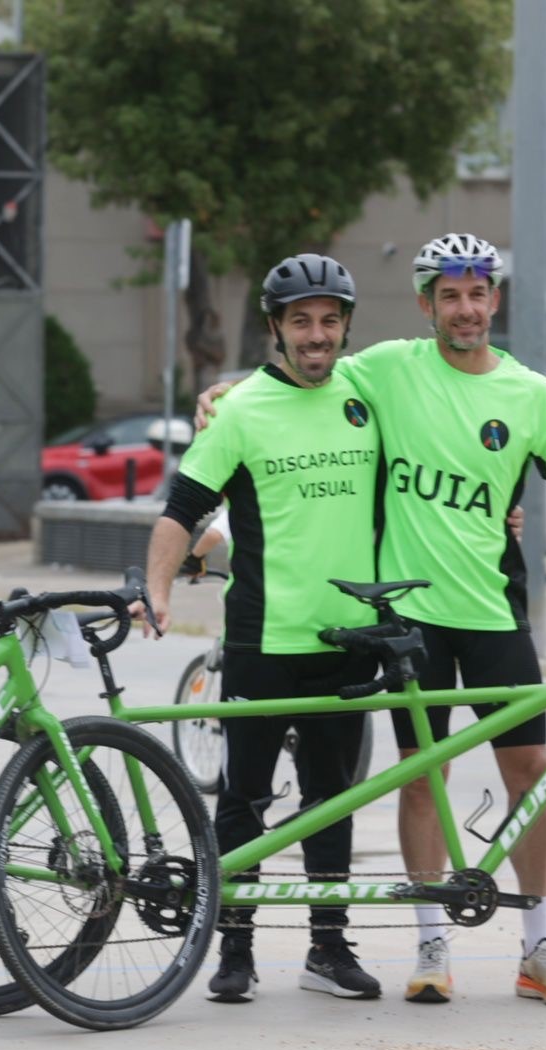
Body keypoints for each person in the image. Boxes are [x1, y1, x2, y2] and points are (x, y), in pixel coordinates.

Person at [198, 232, 546, 1008]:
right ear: (426, 304)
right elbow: (302, 367)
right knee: (423, 775)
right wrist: (227, 389)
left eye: (478, 294)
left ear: (494, 301)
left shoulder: (531, 394)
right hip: (410, 614)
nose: (466, 309)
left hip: (490, 611)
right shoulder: (390, 368)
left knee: (529, 775)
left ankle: (538, 944)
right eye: (450, 295)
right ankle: (430, 944)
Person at [141, 253, 386, 1004]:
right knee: (243, 799)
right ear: (275, 328)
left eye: (330, 319)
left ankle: (328, 946)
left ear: (347, 325)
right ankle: (235, 948)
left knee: (331, 797)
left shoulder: (369, 393)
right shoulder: (242, 411)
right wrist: (155, 587)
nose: (318, 335)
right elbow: (183, 507)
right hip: (262, 638)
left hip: (349, 638)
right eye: (302, 321)